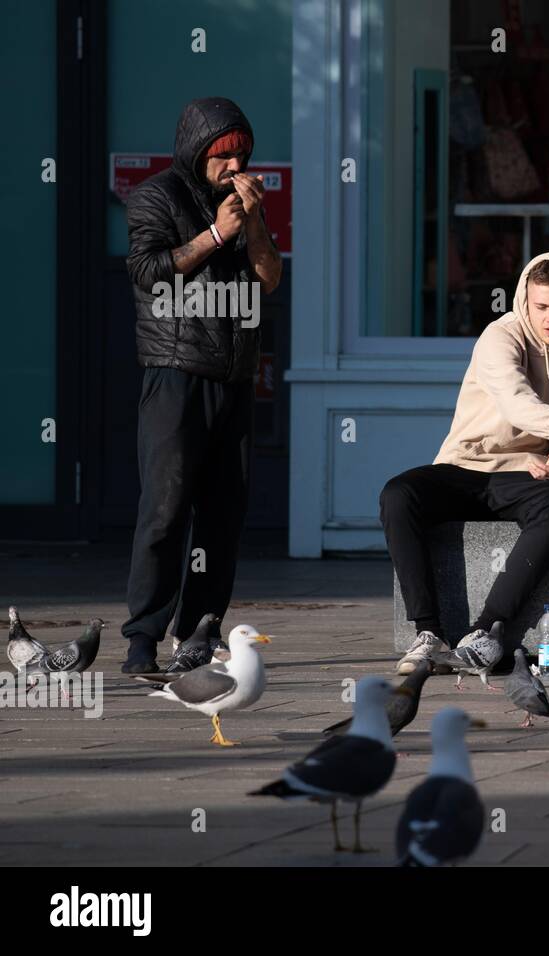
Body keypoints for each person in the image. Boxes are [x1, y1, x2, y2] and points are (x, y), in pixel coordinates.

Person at [382, 252, 549, 675]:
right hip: (468, 465)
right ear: (525, 302)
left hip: (526, 476)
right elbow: (520, 405)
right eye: (541, 307)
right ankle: (428, 634)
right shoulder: (499, 338)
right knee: (398, 494)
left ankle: (486, 631)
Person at [120, 97, 282, 674]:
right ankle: (141, 638)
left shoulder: (245, 203)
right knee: (164, 510)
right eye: (224, 156)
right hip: (175, 373)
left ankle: (200, 631)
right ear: (197, 153)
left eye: (242, 155)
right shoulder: (155, 197)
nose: (235, 166)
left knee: (222, 514)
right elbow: (146, 271)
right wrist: (216, 233)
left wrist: (255, 220)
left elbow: (267, 279)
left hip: (233, 378)